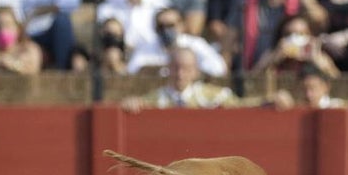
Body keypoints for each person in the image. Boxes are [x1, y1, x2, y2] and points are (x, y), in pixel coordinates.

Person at [122, 44, 294, 109]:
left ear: (196, 71)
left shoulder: (214, 95)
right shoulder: (153, 100)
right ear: (168, 69)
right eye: (176, 68)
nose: (180, 74)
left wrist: (269, 101)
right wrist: (130, 103)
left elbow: (241, 107)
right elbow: (133, 104)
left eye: (186, 68)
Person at [126, 5, 227, 75]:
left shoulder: (195, 44)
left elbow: (218, 68)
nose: (166, 30)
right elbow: (132, 72)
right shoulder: (147, 48)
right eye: (161, 26)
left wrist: (188, 69)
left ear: (181, 25)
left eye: (170, 25)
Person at [250, 12, 342, 77]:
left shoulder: (321, 59)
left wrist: (317, 61)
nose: (295, 39)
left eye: (301, 34)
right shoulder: (270, 56)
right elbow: (250, 82)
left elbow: (341, 85)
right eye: (289, 34)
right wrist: (274, 59)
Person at [0, 4, 43, 73]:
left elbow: (32, 68)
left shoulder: (29, 49)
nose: (3, 30)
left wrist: (12, 65)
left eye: (8, 25)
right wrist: (2, 62)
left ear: (18, 29)